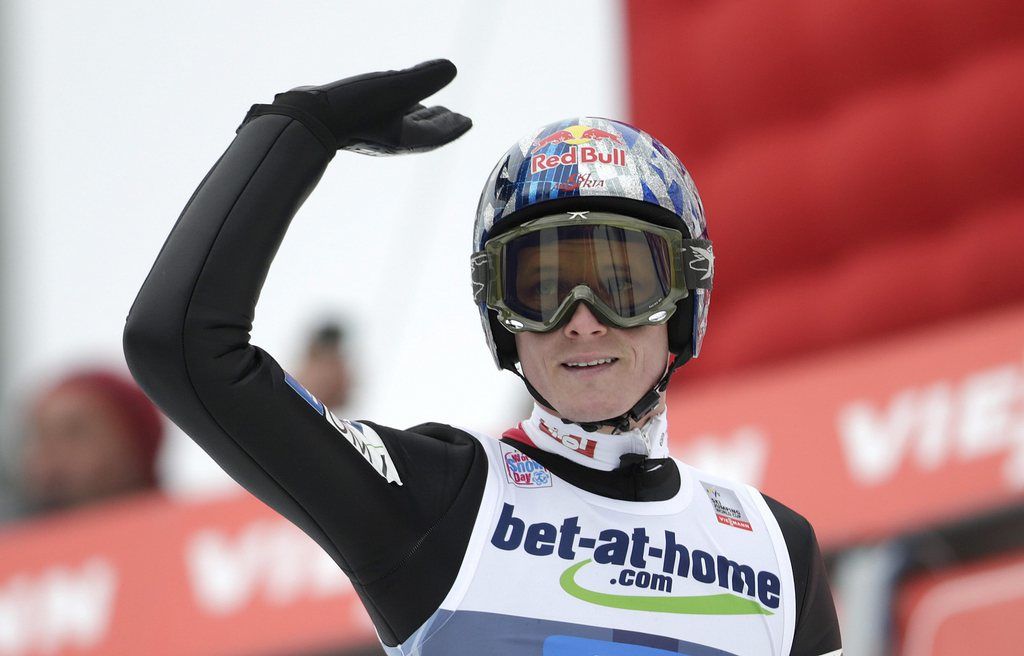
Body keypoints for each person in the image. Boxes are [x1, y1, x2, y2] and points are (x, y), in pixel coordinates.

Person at [124, 60, 842, 655]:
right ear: (500, 318)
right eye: (542, 289)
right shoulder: (441, 503)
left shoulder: (776, 550)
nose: (583, 321)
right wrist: (295, 132)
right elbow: (181, 346)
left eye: (624, 284)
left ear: (684, 297)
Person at [17, 368, 164, 516]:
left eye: (73, 433)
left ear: (133, 444)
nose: (49, 456)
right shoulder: (13, 535)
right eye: (41, 437)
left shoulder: (182, 531)